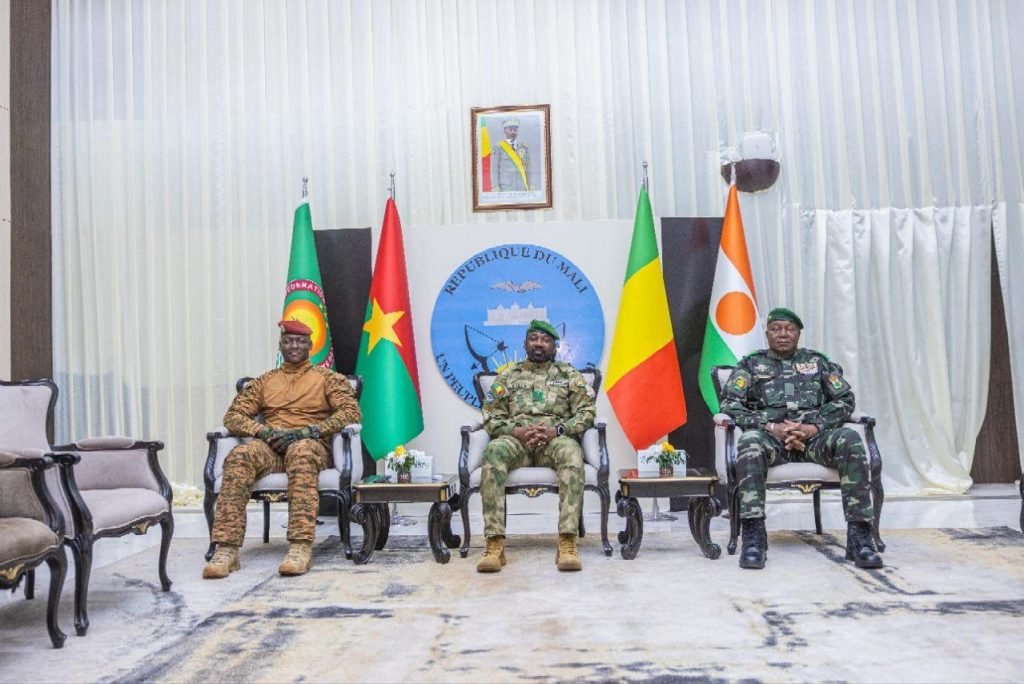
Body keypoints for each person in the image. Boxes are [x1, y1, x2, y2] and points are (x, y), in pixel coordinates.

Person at [720, 307, 883, 570]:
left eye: (790, 329)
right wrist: (771, 426)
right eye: (776, 329)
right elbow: (730, 404)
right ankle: (754, 538)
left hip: (815, 440)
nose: (783, 334)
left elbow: (845, 400)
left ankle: (860, 538)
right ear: (767, 333)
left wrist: (813, 427)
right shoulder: (751, 364)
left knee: (850, 438)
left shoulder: (818, 363)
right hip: (771, 440)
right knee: (749, 443)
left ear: (798, 333)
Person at [203, 319, 361, 579]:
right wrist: (263, 431)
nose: (294, 346)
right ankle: (227, 549)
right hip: (272, 447)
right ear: (281, 346)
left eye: (299, 341)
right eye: (288, 341)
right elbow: (233, 416)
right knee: (240, 456)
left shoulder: (328, 379)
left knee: (301, 451)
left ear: (310, 345)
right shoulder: (265, 381)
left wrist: (311, 431)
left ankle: (300, 547)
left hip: (311, 447)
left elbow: (350, 412)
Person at [476, 320, 596, 573]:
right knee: (494, 451)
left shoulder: (568, 375)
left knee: (572, 453)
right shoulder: (508, 375)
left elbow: (586, 413)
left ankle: (567, 542)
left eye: (545, 339)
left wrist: (557, 430)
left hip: (555, 439)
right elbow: (491, 415)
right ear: (525, 343)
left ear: (554, 346)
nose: (539, 344)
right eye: (534, 338)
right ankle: (494, 544)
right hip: (516, 440)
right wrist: (516, 431)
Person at [490, 118, 530, 191]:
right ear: (505, 131)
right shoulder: (498, 148)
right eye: (510, 130)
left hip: (522, 186)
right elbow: (494, 169)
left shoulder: (524, 147)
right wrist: (495, 186)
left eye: (515, 130)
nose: (513, 132)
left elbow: (529, 167)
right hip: (505, 187)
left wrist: (531, 184)